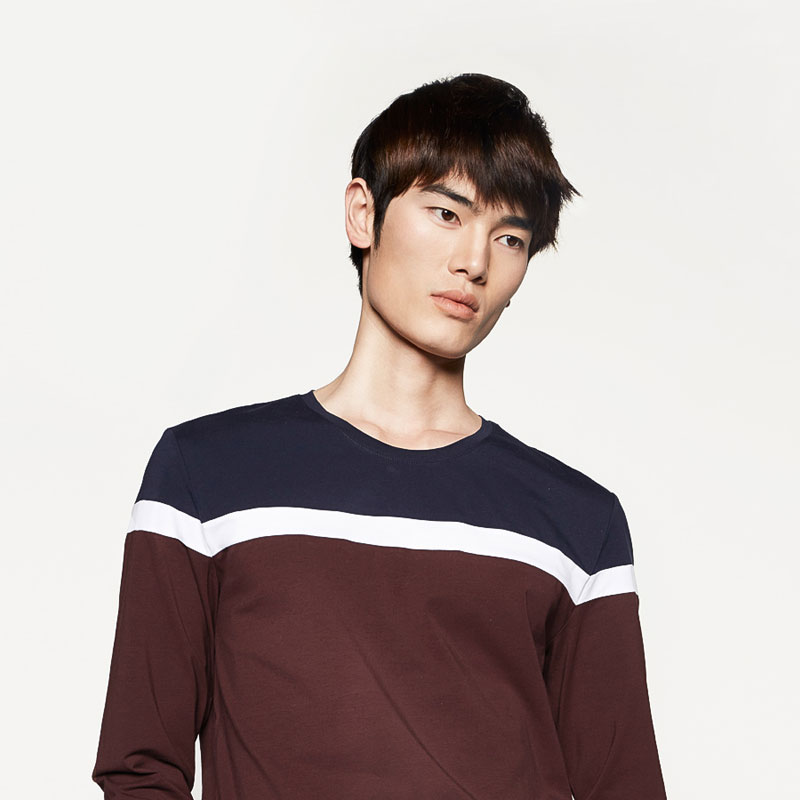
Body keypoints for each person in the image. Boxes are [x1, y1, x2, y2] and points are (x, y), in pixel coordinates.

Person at [91, 73, 668, 799]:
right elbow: (141, 768)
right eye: (446, 213)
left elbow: (623, 787)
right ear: (363, 214)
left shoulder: (577, 521)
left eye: (510, 237)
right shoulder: (207, 476)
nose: (475, 263)